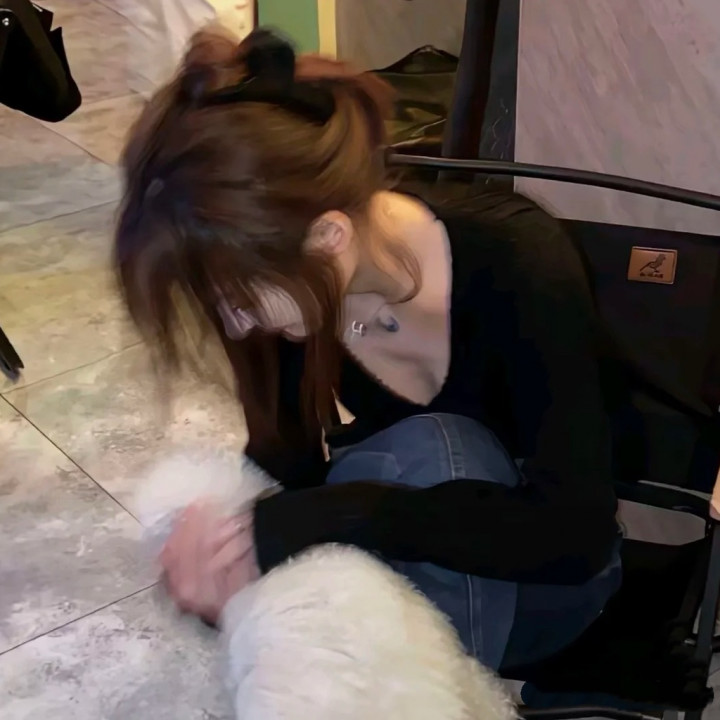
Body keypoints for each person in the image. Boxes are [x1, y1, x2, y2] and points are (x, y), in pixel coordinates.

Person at [115, 27, 622, 673]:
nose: (236, 328)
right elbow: (291, 466)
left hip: (543, 583)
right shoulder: (290, 286)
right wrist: (221, 541)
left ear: (328, 236)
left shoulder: (517, 264)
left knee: (438, 445)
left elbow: (577, 538)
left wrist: (347, 513)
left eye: (240, 301)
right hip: (426, 553)